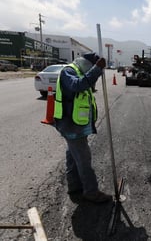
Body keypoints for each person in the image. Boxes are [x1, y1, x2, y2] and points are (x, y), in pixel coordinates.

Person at [53, 52, 112, 203]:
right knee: (84, 160)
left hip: (76, 125)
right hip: (72, 126)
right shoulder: (69, 71)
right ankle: (91, 192)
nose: (91, 69)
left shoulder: (79, 71)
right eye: (91, 67)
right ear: (87, 63)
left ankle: (75, 187)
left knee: (73, 157)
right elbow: (78, 85)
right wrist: (97, 70)